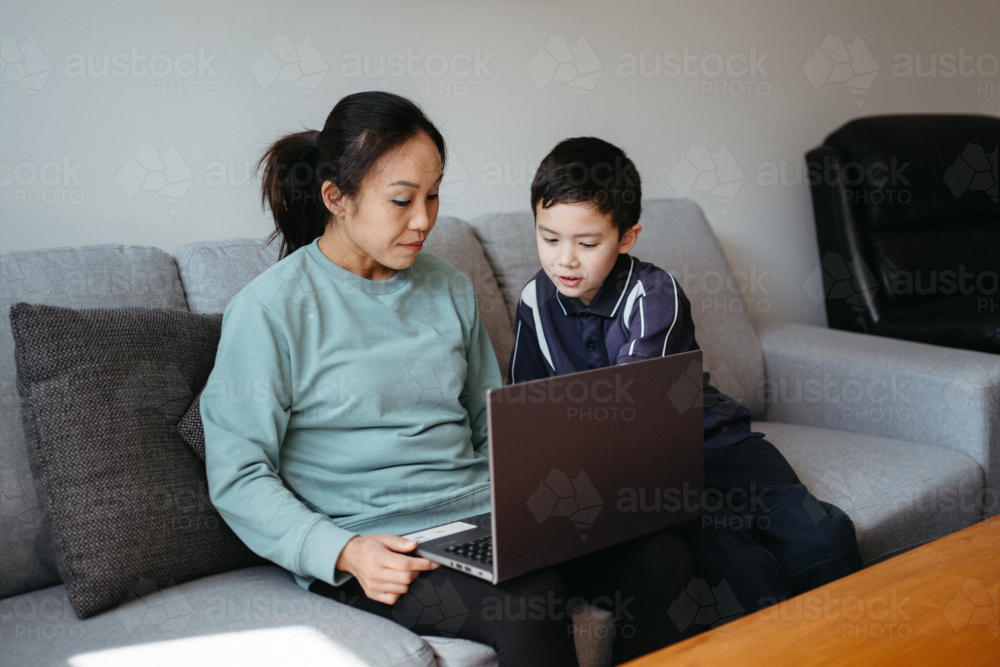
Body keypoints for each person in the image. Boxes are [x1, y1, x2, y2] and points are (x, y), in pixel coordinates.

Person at [200, 92, 693, 667]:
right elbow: (239, 475)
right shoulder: (269, 310)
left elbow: (491, 424)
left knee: (661, 559)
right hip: (381, 542)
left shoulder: (449, 286)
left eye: (433, 195)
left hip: (485, 518)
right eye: (403, 200)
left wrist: (541, 504)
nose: (424, 220)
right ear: (337, 198)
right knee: (532, 605)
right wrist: (345, 551)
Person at [507, 136, 865, 633]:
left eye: (587, 244)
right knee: (734, 563)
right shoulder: (533, 300)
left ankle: (854, 639)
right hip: (637, 474)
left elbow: (631, 408)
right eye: (549, 239)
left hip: (713, 445)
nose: (565, 260)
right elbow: (527, 409)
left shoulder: (653, 293)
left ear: (627, 237)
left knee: (818, 535)